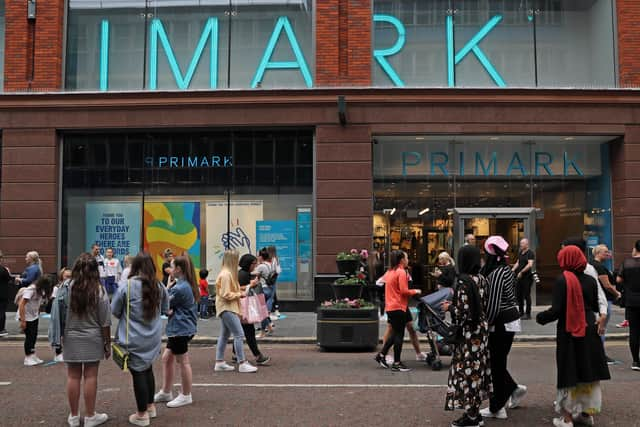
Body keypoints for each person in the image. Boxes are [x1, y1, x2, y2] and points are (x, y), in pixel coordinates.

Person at [536, 246, 611, 427]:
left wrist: (541, 317)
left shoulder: (563, 280)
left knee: (570, 371)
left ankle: (567, 418)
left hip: (570, 330)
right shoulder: (591, 281)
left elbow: (557, 310)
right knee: (588, 371)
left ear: (566, 260)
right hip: (589, 328)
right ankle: (586, 414)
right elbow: (594, 305)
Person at [111, 252, 169, 427]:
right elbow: (166, 309)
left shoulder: (127, 287)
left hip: (133, 338)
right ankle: (150, 406)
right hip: (153, 337)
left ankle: (142, 414)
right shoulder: (159, 286)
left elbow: (115, 310)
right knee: (147, 369)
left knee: (138, 373)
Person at [479, 236, 527, 420]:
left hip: (501, 322)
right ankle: (513, 389)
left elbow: (493, 304)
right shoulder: (504, 269)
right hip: (507, 321)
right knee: (496, 361)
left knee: (495, 363)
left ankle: (497, 407)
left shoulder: (498, 273)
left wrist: (486, 323)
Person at [444, 245, 492, 427]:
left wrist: (450, 307)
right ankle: (475, 412)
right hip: (481, 331)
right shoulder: (482, 279)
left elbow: (463, 314)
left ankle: (471, 417)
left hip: (468, 334)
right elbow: (483, 305)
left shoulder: (463, 282)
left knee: (467, 371)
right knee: (477, 371)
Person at [63, 253, 111, 427]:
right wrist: (107, 344)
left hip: (71, 335)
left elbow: (59, 313)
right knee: (91, 376)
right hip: (93, 337)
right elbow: (105, 321)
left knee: (73, 376)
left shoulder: (67, 286)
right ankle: (91, 416)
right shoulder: (99, 289)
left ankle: (74, 416)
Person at [154, 255, 198, 409]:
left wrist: (167, 291)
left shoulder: (180, 288)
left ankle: (186, 395)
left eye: (172, 267)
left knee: (183, 361)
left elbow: (161, 303)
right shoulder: (182, 284)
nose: (170, 270)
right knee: (167, 358)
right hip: (179, 327)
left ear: (178, 269)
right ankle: (166, 391)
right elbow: (167, 307)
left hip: (181, 328)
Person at [374, 250, 421, 372]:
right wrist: (416, 291)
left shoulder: (389, 272)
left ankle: (381, 355)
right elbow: (404, 291)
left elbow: (381, 284)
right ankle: (397, 363)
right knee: (398, 335)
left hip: (392, 306)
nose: (408, 260)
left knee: (395, 332)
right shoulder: (401, 272)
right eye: (406, 258)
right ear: (401, 260)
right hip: (398, 307)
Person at [214, 249, 258, 373]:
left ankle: (219, 361)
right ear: (232, 260)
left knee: (224, 335)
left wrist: (244, 290)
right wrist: (240, 295)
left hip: (225, 307)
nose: (238, 262)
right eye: (236, 259)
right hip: (228, 307)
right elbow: (226, 294)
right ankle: (242, 363)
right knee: (239, 334)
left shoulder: (225, 273)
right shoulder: (227, 275)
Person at [235, 254, 270, 365]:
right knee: (249, 332)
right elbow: (239, 289)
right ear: (248, 263)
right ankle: (258, 356)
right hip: (244, 307)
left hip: (241, 307)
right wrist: (252, 284)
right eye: (254, 264)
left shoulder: (243, 273)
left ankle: (236, 354)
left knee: (239, 332)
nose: (255, 266)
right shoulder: (243, 274)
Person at [592, 244, 621, 365]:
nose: (608, 254)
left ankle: (598, 354)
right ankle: (600, 355)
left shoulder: (594, 265)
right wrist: (617, 293)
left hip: (598, 300)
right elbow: (607, 285)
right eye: (605, 252)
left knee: (598, 327)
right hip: (603, 301)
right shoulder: (599, 267)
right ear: (598, 253)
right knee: (601, 328)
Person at [18, 275, 52, 366]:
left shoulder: (41, 290)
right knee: (29, 337)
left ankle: (32, 355)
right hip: (26, 316)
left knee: (34, 336)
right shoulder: (31, 289)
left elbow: (37, 303)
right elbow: (21, 304)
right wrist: (23, 320)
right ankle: (28, 357)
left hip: (34, 316)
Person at [617, 239, 640, 371]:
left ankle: (635, 361)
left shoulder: (627, 263)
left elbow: (619, 279)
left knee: (634, 332)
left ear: (635, 248)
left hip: (632, 302)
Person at [49, 267, 72, 361]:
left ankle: (67, 351)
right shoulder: (57, 288)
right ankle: (58, 353)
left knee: (68, 334)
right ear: (62, 276)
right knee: (58, 332)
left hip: (69, 314)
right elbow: (54, 304)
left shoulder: (73, 287)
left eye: (71, 276)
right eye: (67, 276)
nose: (69, 279)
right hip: (59, 314)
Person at [512, 238, 535, 319]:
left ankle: (528, 314)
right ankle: (521, 312)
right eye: (520, 243)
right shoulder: (520, 252)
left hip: (527, 277)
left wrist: (521, 272)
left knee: (526, 295)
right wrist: (512, 270)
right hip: (519, 277)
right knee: (518, 295)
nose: (520, 245)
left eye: (522, 243)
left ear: (526, 244)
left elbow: (530, 264)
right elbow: (518, 262)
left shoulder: (530, 253)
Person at [255, 248, 275, 338]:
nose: (257, 257)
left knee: (262, 312)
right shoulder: (270, 264)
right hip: (270, 289)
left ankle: (263, 332)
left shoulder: (261, 266)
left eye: (258, 256)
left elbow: (255, 277)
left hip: (263, 289)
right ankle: (270, 327)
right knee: (264, 311)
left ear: (261, 257)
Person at [267, 245, 282, 319]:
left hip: (269, 278)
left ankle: (270, 311)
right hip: (274, 278)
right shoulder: (276, 258)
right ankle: (276, 309)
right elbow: (278, 270)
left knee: (271, 295)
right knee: (273, 294)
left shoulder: (269, 259)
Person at [0, 250, 12, 337]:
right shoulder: (3, 269)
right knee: (1, 312)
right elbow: (9, 279)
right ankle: (1, 329)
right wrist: (8, 272)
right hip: (2, 294)